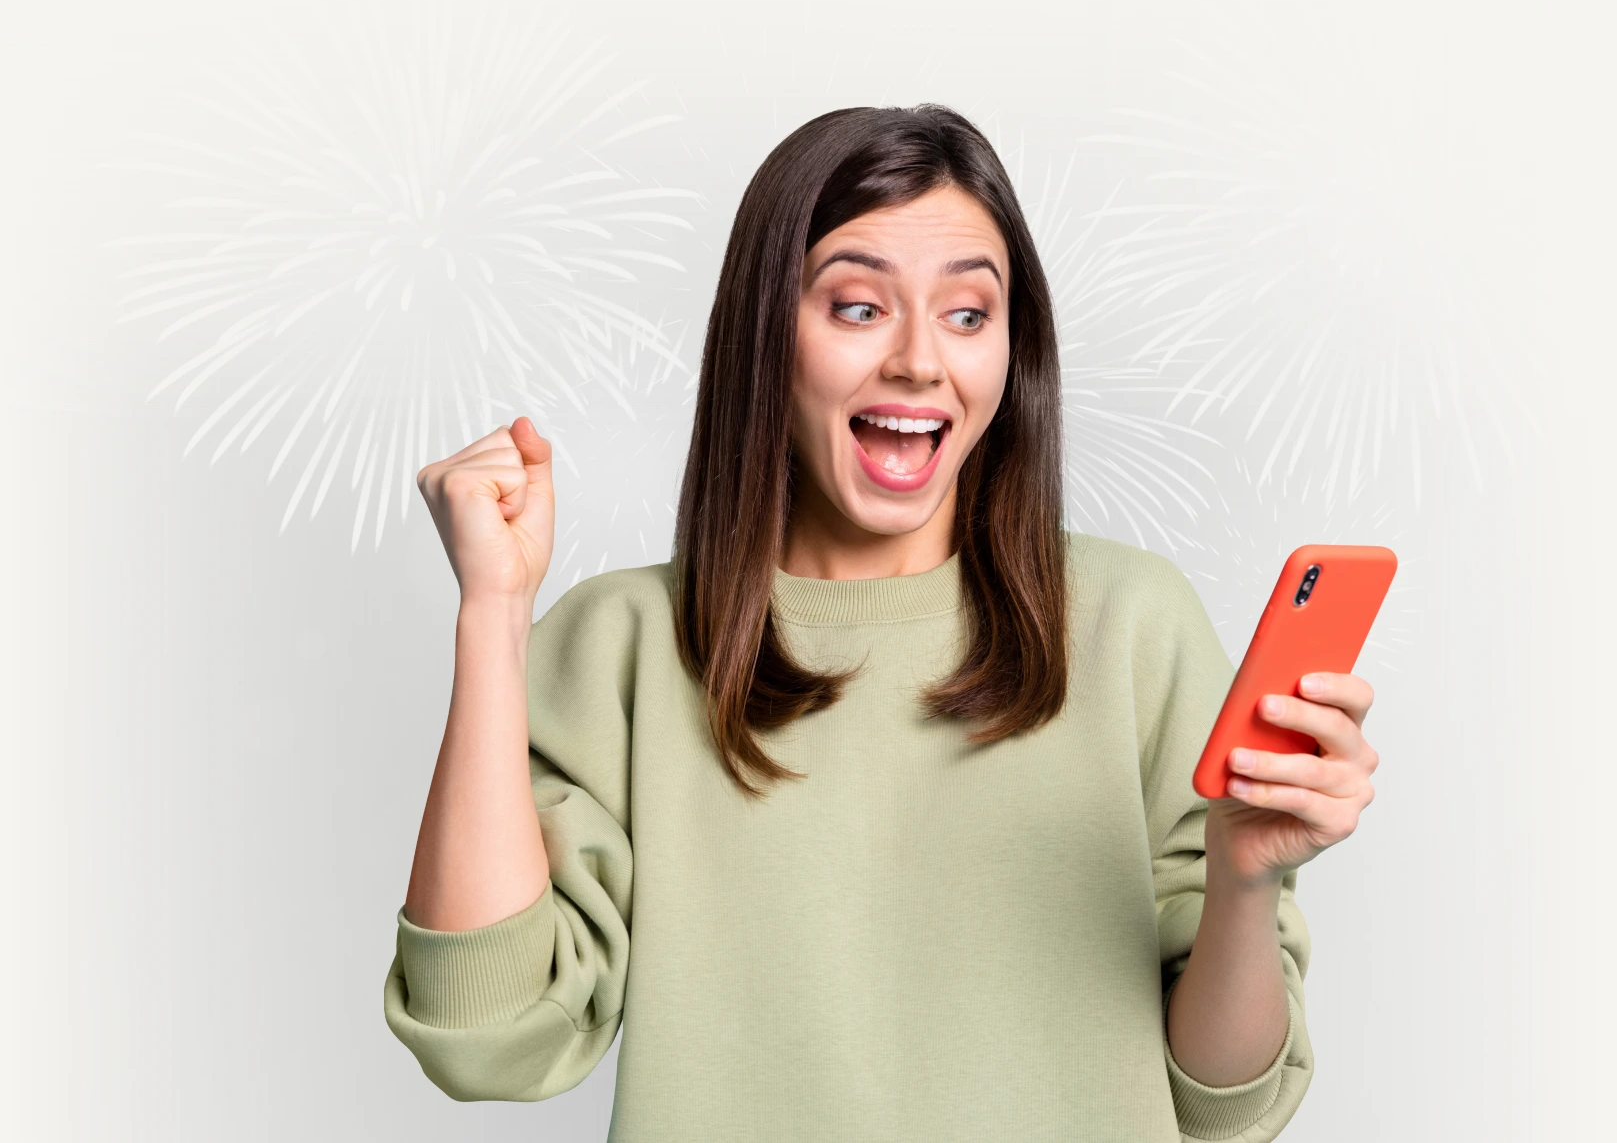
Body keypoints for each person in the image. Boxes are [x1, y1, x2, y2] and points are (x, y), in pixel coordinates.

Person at [382, 105, 1379, 1142]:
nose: (918, 360)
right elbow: (485, 1034)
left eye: (968, 314)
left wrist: (1245, 883)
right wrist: (492, 611)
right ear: (766, 334)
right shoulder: (623, 646)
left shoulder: (1132, 624)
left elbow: (1224, 1103)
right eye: (858, 308)